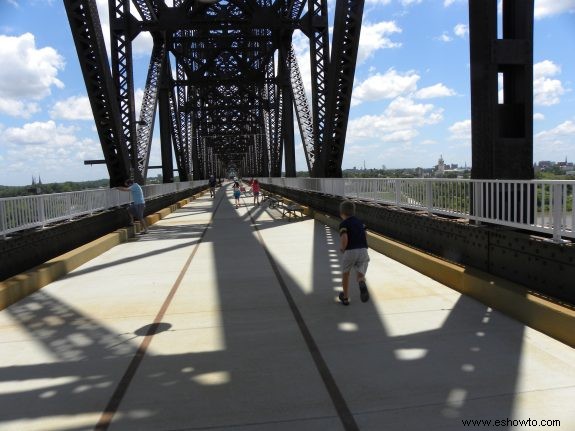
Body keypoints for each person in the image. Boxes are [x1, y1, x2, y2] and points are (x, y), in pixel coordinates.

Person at [338, 200, 369, 305]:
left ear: (342, 213)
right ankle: (361, 282)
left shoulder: (344, 224)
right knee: (360, 272)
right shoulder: (361, 222)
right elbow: (365, 234)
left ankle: (345, 297)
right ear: (353, 212)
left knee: (346, 273)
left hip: (350, 251)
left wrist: (343, 248)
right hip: (363, 250)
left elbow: (344, 237)